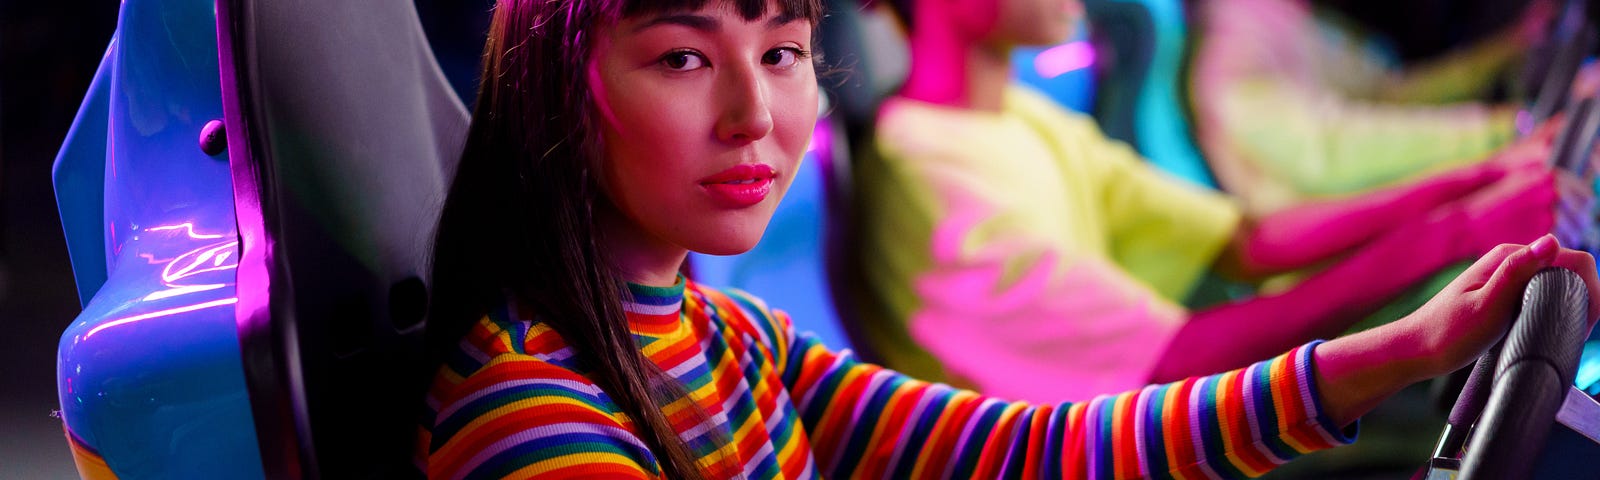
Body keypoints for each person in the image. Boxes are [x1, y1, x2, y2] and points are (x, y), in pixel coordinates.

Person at [420, 0, 1600, 478]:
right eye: (683, 56)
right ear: (557, 90)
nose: (753, 114)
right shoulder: (534, 416)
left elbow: (1038, 449)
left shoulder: (735, 344)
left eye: (779, 52)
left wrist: (1402, 344)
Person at [857, 0, 1589, 401]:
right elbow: (1176, 362)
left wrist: (1478, 183)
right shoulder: (929, 180)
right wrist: (1452, 233)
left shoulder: (1020, 116)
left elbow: (1246, 239)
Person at [1189, 0, 1555, 215]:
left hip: (1424, 218)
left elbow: (1388, 92)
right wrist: (1504, 131)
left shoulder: (1281, 15)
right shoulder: (1227, 62)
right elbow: (1330, 153)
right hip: (1363, 275)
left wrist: (1508, 49)